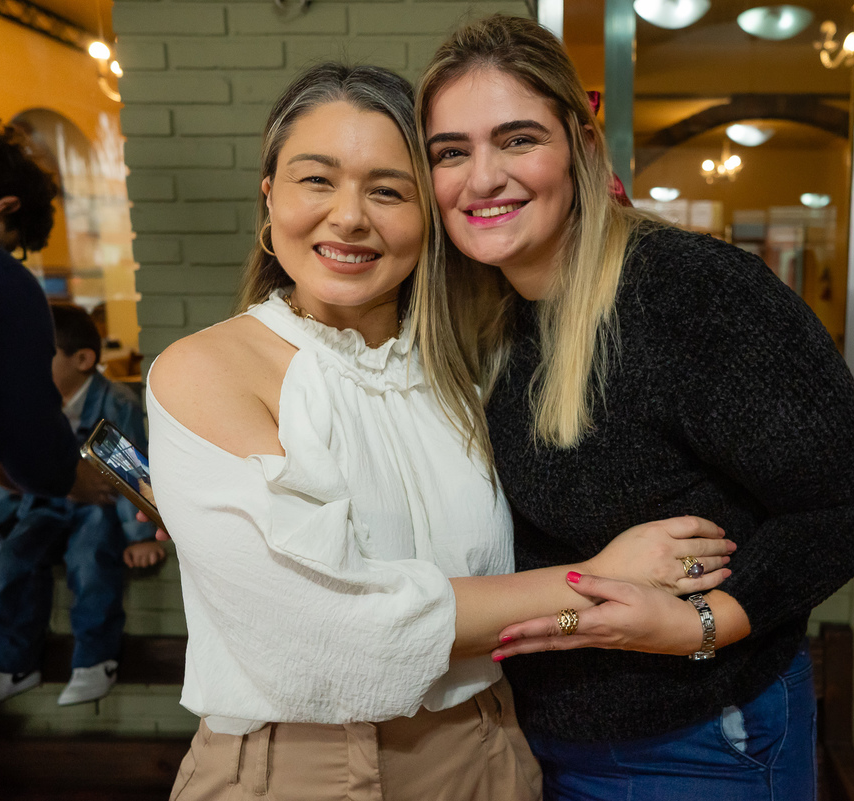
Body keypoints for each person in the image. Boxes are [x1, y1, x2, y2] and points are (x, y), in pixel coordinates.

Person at [146, 63, 734, 801]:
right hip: (302, 767)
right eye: (316, 180)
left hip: (489, 744)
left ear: (432, 216)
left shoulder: (467, 368)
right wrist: (598, 583)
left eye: (388, 190)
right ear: (269, 199)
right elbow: (333, 630)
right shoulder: (206, 369)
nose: (350, 217)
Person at [418, 16, 854, 799]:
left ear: (580, 144)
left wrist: (705, 623)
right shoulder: (487, 312)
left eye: (518, 139)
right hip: (539, 737)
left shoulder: (687, 293)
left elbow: (848, 500)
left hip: (697, 741)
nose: (482, 179)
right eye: (451, 152)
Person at [0, 303, 162, 707]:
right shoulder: (31, 405)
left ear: (82, 359)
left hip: (96, 508)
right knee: (12, 560)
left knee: (90, 561)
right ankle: (13, 663)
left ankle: (95, 660)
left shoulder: (115, 400)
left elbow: (131, 469)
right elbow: (15, 473)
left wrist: (140, 535)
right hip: (45, 507)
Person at [0, 119, 115, 506]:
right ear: (3, 209)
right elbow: (25, 421)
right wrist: (66, 478)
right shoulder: (5, 284)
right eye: (9, 247)